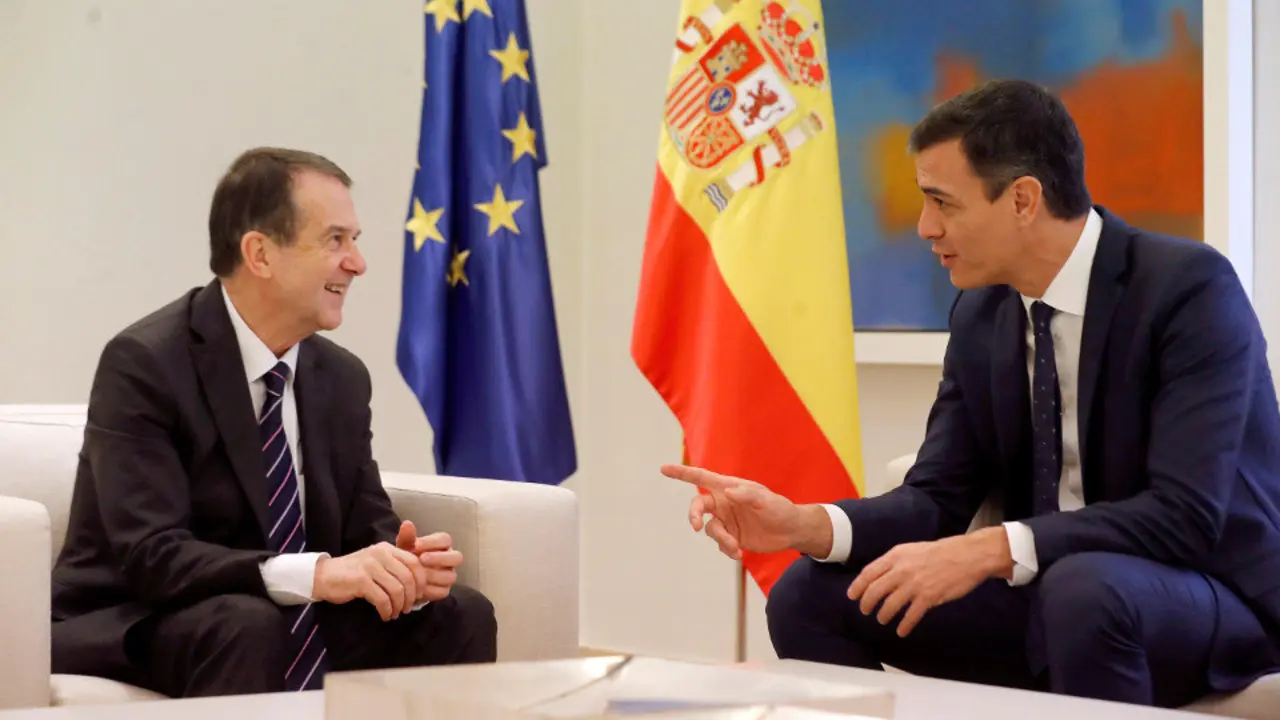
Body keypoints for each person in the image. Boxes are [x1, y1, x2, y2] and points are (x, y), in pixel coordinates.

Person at [663, 79, 1280, 707]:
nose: (926, 227)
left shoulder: (1188, 289)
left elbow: (1185, 514)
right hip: (1058, 596)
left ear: (1022, 199)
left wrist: (991, 549)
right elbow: (936, 497)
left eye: (942, 202)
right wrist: (803, 523)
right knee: (810, 593)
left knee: (1084, 590)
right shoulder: (983, 313)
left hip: (1207, 596)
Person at [51, 147, 497, 697]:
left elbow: (364, 526)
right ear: (260, 253)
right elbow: (153, 555)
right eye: (336, 240)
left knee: (459, 614)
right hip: (144, 614)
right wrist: (315, 575)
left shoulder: (340, 377)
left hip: (274, 612)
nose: (357, 262)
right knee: (247, 624)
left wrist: (401, 566)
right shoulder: (145, 363)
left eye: (355, 241)